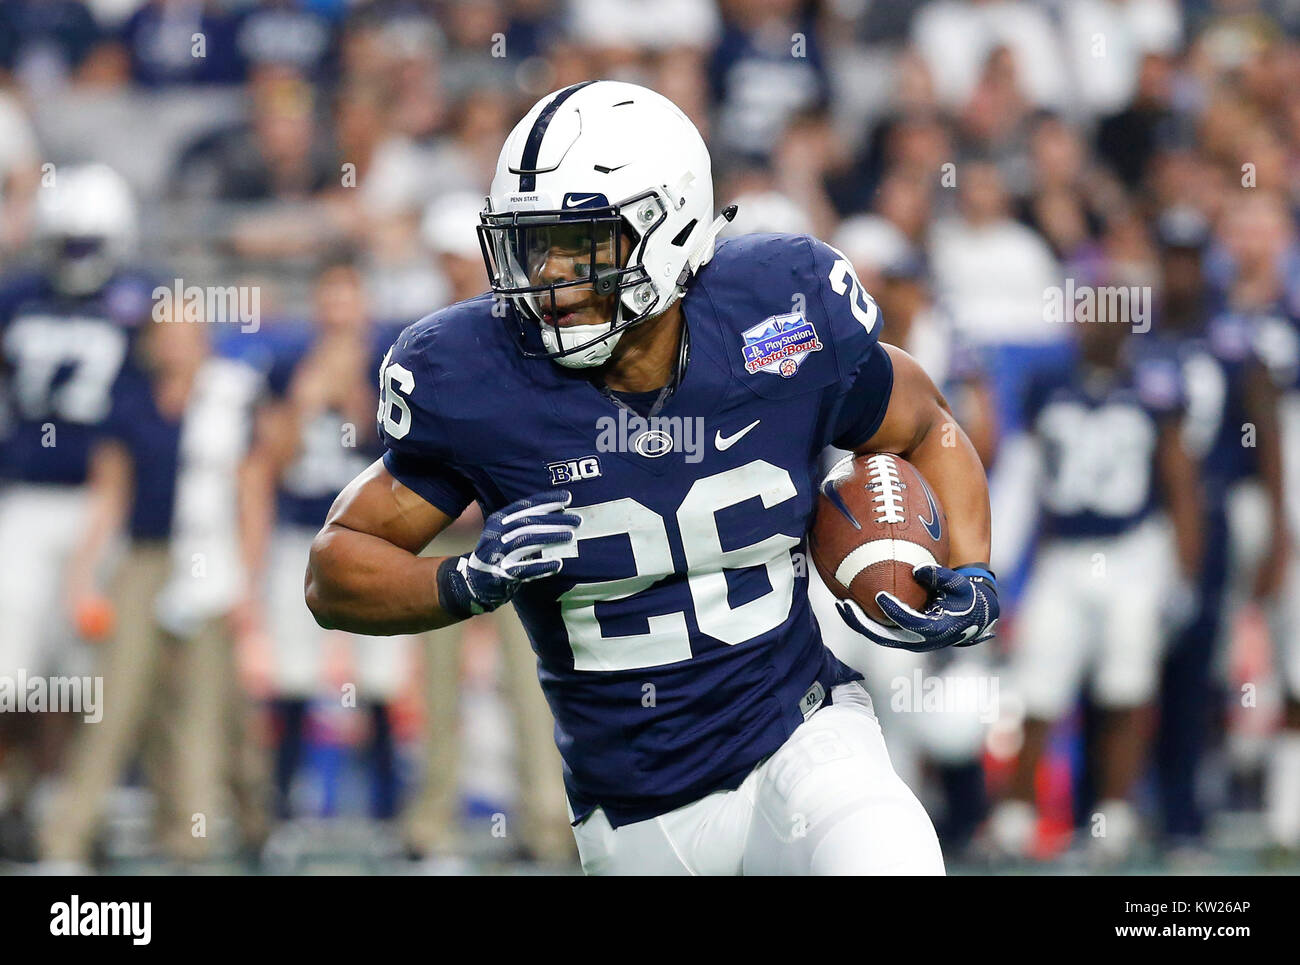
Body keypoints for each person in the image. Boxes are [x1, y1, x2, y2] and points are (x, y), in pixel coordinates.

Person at [304, 81, 997, 875]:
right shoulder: (476, 376)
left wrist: (971, 568)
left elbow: (928, 425)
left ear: (669, 227)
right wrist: (462, 579)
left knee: (888, 851)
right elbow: (334, 570)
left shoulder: (777, 313)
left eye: (582, 244)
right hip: (638, 814)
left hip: (801, 733)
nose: (551, 277)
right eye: (533, 245)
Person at [991, 294, 1201, 864]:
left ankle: (1113, 823)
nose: (1098, 325)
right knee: (1038, 686)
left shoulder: (1155, 384)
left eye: (1110, 314)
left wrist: (1185, 568)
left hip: (1134, 551)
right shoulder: (1049, 382)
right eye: (1090, 312)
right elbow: (1026, 478)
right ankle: (1014, 819)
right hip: (1065, 553)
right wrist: (1007, 565)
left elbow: (1179, 479)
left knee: (1125, 692)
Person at [0, 164, 147, 859]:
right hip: (26, 498)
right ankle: (16, 795)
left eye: (89, 244)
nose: (77, 260)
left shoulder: (139, 302)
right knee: (12, 672)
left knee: (81, 670)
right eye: (69, 243)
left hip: (102, 505)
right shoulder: (18, 297)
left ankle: (69, 808)